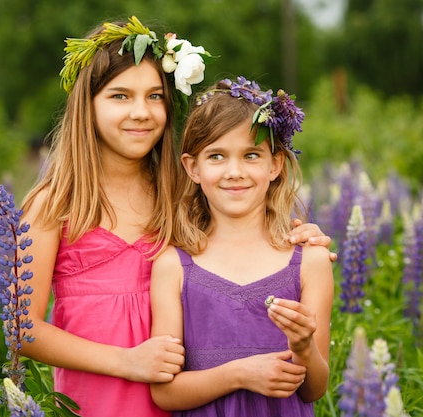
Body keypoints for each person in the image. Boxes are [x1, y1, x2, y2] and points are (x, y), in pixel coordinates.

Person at [18, 17, 333, 417]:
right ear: (88, 104)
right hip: (99, 396)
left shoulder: (177, 192)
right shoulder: (55, 203)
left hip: (188, 397)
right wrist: (127, 361)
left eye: (154, 96)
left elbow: (240, 231)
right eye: (119, 96)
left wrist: (298, 235)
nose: (140, 112)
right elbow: (21, 329)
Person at [150, 77, 334, 416]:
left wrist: (305, 346)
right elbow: (165, 393)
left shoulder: (311, 260)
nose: (235, 172)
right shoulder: (173, 266)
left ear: (275, 165)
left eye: (251, 155)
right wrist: (238, 375)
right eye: (217, 156)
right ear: (193, 167)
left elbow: (314, 390)